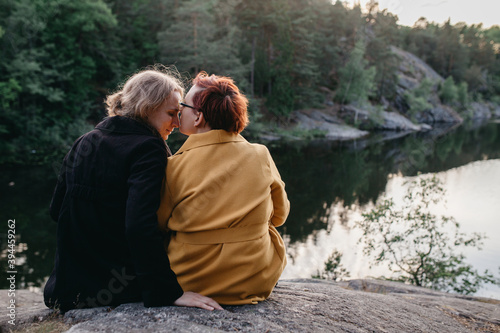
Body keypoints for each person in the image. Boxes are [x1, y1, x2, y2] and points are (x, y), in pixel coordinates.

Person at [44, 67, 222, 312]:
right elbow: (140, 225)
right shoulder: (148, 148)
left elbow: (56, 210)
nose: (177, 123)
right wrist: (167, 292)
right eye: (171, 113)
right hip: (118, 290)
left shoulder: (84, 140)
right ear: (147, 107)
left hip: (66, 289)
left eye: (179, 114)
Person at [157, 72, 289, 305]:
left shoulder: (172, 167)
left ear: (198, 117)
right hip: (255, 279)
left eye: (182, 107)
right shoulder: (260, 155)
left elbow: (158, 224)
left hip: (192, 281)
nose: (179, 113)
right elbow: (280, 216)